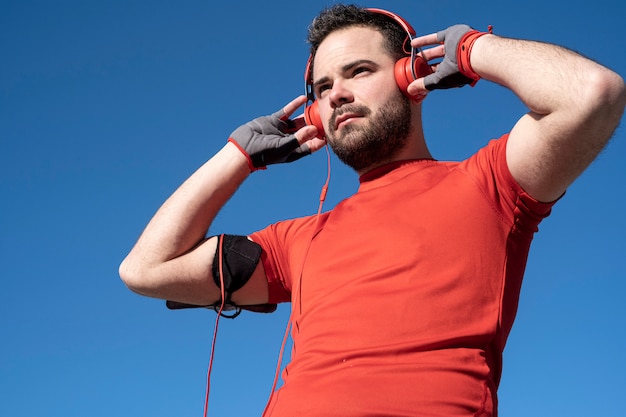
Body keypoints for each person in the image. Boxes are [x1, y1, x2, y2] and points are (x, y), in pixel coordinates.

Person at [119, 4, 625, 417]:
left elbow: (591, 93)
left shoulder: (490, 184)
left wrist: (474, 49)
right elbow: (145, 270)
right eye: (321, 88)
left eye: (358, 71)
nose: (337, 93)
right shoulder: (297, 240)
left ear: (413, 74)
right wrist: (239, 154)